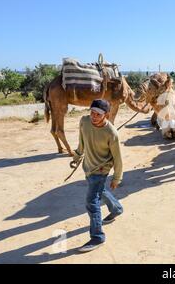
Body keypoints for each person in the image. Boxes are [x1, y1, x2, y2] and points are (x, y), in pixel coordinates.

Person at [73, 99, 124, 253]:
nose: (94, 116)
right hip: (88, 167)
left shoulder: (111, 133)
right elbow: (82, 141)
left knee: (92, 202)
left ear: (106, 115)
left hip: (101, 170)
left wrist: (117, 178)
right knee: (99, 191)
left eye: (98, 114)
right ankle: (116, 208)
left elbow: (118, 159)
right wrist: (77, 156)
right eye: (92, 112)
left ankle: (97, 237)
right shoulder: (84, 121)